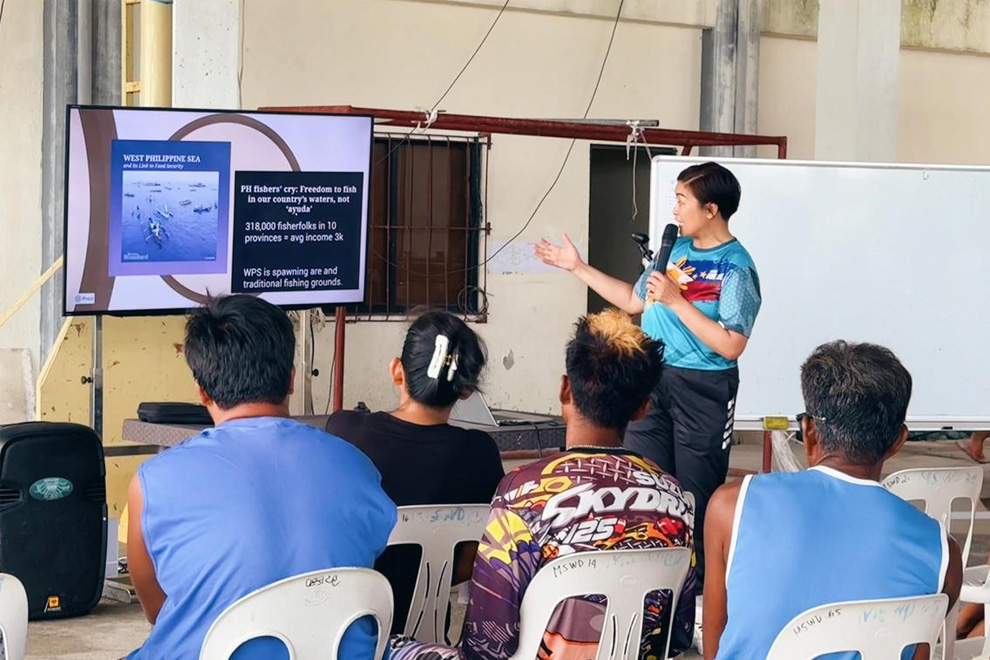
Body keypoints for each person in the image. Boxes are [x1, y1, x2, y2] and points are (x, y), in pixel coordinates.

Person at [391, 309, 697, 660]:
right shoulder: (676, 499)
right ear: (643, 408)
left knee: (386, 644)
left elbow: (486, 645)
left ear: (565, 390)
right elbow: (679, 635)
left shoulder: (522, 494)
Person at [126, 295, 396, 660]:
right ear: (291, 380)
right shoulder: (357, 466)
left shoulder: (152, 481)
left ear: (201, 391)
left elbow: (157, 611)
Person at [535, 161, 760, 583]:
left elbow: (731, 343)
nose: (674, 210)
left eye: (682, 200)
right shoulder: (673, 250)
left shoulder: (736, 266)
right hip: (652, 379)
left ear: (711, 209)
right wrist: (577, 267)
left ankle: (694, 589)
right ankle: (645, 577)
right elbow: (633, 301)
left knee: (695, 494)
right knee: (644, 482)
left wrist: (676, 301)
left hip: (704, 387)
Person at [703, 340, 963, 660]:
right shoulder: (943, 553)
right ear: (898, 441)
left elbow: (715, 647)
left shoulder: (731, 506)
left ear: (808, 431)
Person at [327, 310, 504, 635]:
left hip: (350, 634)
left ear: (397, 371)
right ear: (466, 391)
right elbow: (470, 560)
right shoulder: (480, 453)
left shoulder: (345, 432)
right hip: (427, 638)